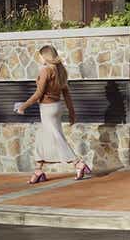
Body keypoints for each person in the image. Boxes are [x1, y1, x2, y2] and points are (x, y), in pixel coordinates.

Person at [17, 45, 92, 184]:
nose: (38, 58)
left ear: (45, 56)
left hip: (47, 109)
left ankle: (78, 163)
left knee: (57, 138)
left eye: (40, 55)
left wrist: (23, 106)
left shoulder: (46, 70)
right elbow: (66, 93)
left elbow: (39, 93)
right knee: (41, 138)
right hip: (57, 108)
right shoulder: (60, 70)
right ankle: (38, 171)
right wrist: (71, 112)